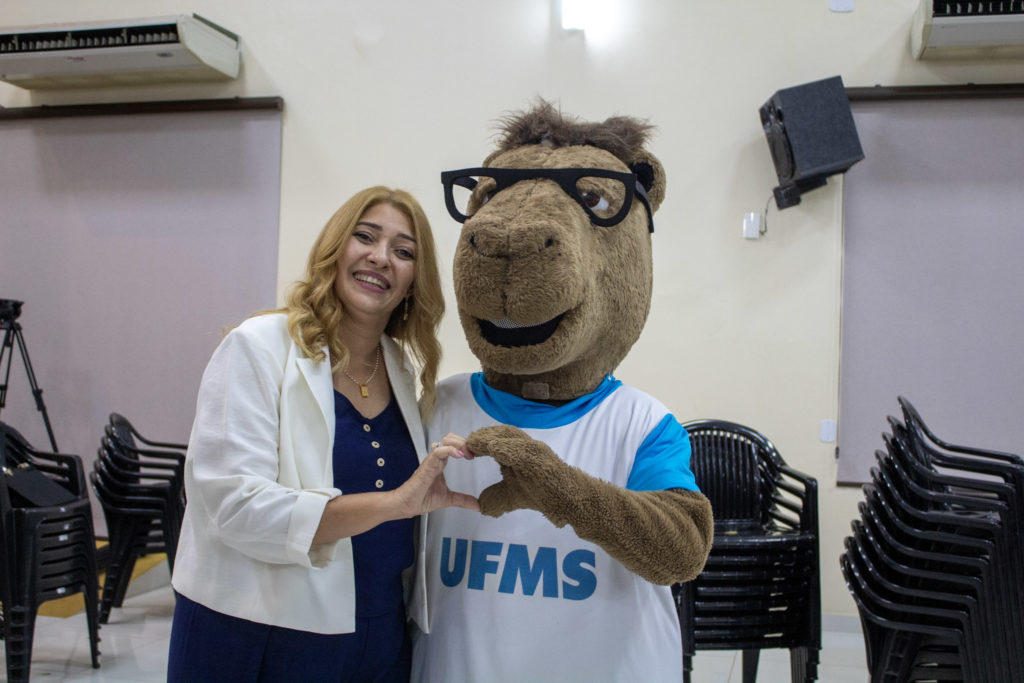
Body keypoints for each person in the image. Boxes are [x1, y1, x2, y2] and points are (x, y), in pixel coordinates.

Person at [166, 186, 478, 683]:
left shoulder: (399, 368)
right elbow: (235, 506)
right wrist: (393, 503)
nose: (381, 258)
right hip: (259, 628)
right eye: (365, 237)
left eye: (404, 252)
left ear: (414, 283)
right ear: (334, 250)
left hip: (379, 630)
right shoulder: (258, 347)